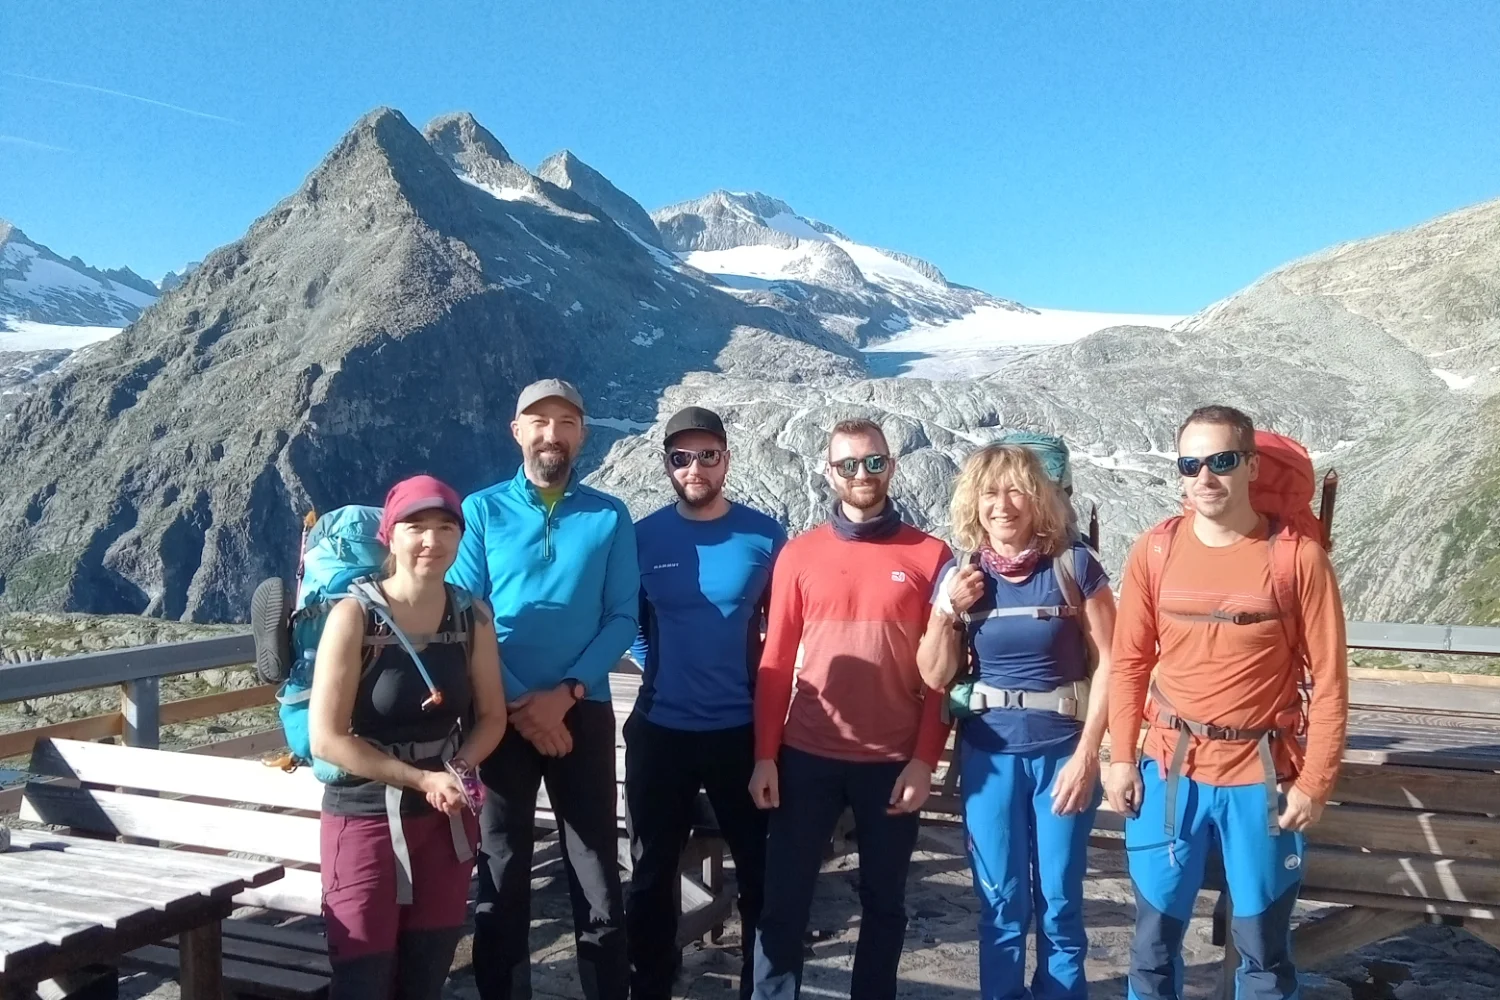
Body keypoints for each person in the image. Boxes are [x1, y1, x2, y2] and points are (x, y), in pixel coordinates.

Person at [1105, 405, 1348, 1000]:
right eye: (1191, 464)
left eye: (1222, 461)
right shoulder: (1153, 552)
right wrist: (1118, 759)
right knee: (1153, 947)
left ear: (1250, 466)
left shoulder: (1298, 559)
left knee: (1264, 952)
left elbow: (1333, 682)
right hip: (1168, 771)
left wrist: (1315, 782)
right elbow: (1131, 662)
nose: (1205, 477)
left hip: (1262, 778)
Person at [448, 378, 640, 1000]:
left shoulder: (609, 514)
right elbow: (467, 612)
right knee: (501, 865)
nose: (551, 434)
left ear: (582, 433)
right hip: (496, 716)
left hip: (579, 711)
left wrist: (567, 692)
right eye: (539, 422)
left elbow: (622, 617)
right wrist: (518, 702)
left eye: (565, 422)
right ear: (517, 431)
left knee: (594, 864)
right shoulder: (480, 511)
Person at [749, 417, 953, 1000]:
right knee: (784, 899)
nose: (862, 474)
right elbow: (776, 661)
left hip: (891, 760)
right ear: (828, 472)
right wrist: (766, 756)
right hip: (806, 755)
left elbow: (941, 671)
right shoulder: (798, 555)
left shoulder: (931, 554)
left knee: (884, 903)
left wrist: (923, 760)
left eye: (874, 462)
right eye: (848, 464)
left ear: (892, 465)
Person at [917, 442, 1116, 1000]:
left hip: (1061, 757)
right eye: (988, 492)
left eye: (1014, 491)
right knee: (1001, 904)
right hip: (989, 757)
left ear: (1038, 499)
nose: (1001, 505)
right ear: (972, 503)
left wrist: (1087, 757)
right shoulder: (962, 576)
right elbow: (934, 674)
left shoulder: (1075, 566)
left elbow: (1113, 665)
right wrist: (946, 610)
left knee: (1059, 903)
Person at [309, 474, 508, 1000]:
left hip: (444, 820)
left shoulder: (472, 617)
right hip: (364, 817)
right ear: (389, 536)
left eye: (446, 527)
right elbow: (327, 739)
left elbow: (492, 716)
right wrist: (423, 779)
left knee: (425, 976)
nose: (431, 540)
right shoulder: (353, 616)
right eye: (416, 526)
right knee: (362, 979)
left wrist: (458, 770)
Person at [626, 405, 786, 1000]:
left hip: (741, 732)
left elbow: (783, 627)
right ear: (668, 464)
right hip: (660, 730)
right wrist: (661, 671)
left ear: (726, 459)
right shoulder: (643, 537)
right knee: (650, 875)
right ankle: (652, 988)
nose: (695, 468)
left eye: (707, 456)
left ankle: (761, 991)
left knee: (759, 876)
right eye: (681, 458)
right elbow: (633, 621)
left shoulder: (765, 536)